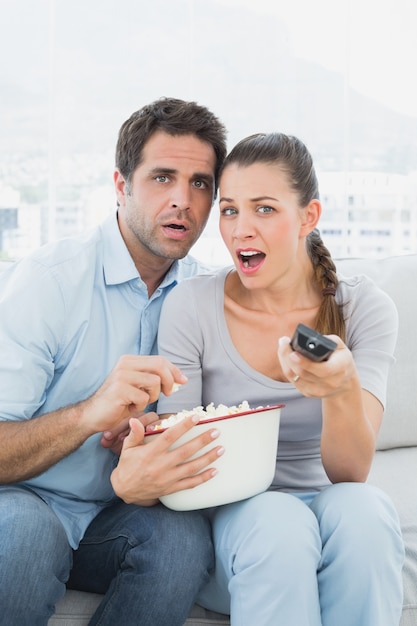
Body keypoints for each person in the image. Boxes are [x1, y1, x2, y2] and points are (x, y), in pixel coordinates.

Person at [114, 132, 405, 625]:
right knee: (278, 520)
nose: (240, 230)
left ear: (308, 217)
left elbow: (350, 473)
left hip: (332, 504)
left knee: (368, 513)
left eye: (264, 209)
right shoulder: (193, 307)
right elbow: (186, 461)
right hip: (237, 523)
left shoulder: (364, 308)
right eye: (229, 210)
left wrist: (339, 389)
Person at [0, 97, 227, 626]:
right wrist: (87, 415)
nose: (182, 200)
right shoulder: (50, 279)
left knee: (181, 540)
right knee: (28, 535)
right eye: (162, 177)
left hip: (124, 517)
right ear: (121, 185)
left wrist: (157, 439)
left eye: (200, 183)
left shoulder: (208, 294)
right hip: (27, 505)